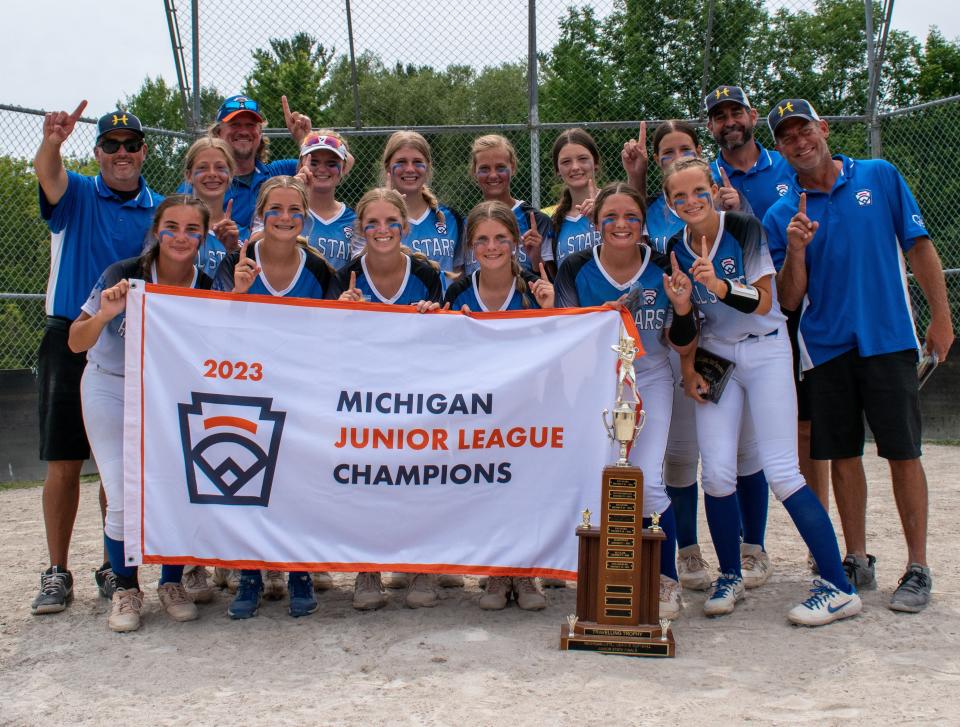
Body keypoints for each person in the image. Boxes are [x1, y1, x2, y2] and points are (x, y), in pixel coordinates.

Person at [763, 98, 955, 612]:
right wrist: (797, 249)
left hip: (889, 338)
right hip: (825, 347)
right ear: (779, 149)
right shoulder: (783, 214)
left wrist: (941, 317)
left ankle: (917, 567)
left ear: (824, 129)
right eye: (787, 137)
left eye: (805, 130)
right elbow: (787, 298)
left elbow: (919, 247)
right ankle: (856, 557)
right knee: (843, 456)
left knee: (903, 452)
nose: (799, 142)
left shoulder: (880, 175)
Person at [665, 157, 860, 625]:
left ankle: (839, 585)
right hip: (714, 354)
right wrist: (686, 335)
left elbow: (767, 301)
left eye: (698, 191)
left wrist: (719, 284)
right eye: (678, 197)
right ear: (670, 204)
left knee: (782, 470)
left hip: (766, 347)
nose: (690, 202)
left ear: (713, 188)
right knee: (715, 473)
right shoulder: (674, 246)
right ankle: (729, 574)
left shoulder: (744, 228)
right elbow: (686, 322)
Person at [32, 102, 163, 615]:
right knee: (64, 462)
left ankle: (115, 567)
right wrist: (51, 143)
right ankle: (57, 570)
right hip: (74, 332)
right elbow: (49, 174)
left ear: (144, 151)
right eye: (111, 144)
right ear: (98, 151)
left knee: (118, 464)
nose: (122, 153)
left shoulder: (158, 210)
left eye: (131, 144)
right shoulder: (82, 191)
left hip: (133, 341)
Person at [633, 120, 772, 593]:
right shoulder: (653, 213)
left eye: (685, 149)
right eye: (666, 153)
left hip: (740, 343)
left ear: (701, 157)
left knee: (744, 449)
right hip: (681, 340)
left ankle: (752, 547)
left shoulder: (730, 207)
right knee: (680, 452)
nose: (676, 158)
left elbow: (755, 270)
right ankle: (687, 551)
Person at [555, 181, 700, 621]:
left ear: (643, 224)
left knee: (649, 483)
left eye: (631, 217)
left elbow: (684, 341)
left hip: (650, 375)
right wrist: (599, 320)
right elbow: (564, 340)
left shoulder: (663, 265)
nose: (621, 225)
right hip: (597, 382)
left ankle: (665, 580)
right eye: (611, 217)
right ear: (596, 222)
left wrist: (680, 308)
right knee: (598, 478)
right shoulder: (575, 267)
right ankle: (606, 571)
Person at [67, 195, 213, 631]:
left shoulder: (205, 285)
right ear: (156, 230)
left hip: (167, 390)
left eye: (191, 229)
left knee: (176, 488)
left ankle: (171, 582)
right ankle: (127, 587)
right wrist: (106, 313)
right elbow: (76, 341)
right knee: (124, 491)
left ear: (203, 237)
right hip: (111, 385)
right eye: (171, 226)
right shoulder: (123, 275)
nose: (180, 237)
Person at [705, 85, 828, 568]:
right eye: (718, 116)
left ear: (752, 116)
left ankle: (817, 556)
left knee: (792, 444)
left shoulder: (786, 167)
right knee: (724, 456)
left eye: (736, 111)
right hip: (726, 326)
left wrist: (739, 212)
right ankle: (735, 563)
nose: (729, 121)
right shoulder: (708, 177)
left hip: (789, 313)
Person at [214, 176, 342, 619]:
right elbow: (210, 331)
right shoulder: (238, 262)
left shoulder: (321, 269)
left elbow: (335, 334)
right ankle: (250, 570)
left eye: (294, 211)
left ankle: (298, 569)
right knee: (250, 478)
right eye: (275, 210)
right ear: (260, 215)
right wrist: (238, 294)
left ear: (305, 218)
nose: (284, 218)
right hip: (248, 386)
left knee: (298, 481)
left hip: (302, 388)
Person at [337, 188, 445, 610]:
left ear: (405, 225)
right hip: (364, 393)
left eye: (391, 222)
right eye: (372, 223)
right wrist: (340, 312)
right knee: (369, 479)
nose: (382, 230)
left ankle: (421, 566)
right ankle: (369, 568)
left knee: (418, 479)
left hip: (415, 391)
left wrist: (432, 316)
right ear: (360, 229)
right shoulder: (345, 275)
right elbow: (321, 339)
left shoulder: (424, 274)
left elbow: (447, 334)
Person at [179, 94, 310, 229]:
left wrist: (303, 139)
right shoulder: (202, 183)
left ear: (260, 133)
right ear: (218, 133)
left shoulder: (278, 173)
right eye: (235, 124)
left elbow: (319, 168)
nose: (243, 131)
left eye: (250, 125)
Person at [357, 131, 461, 278]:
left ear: (428, 167)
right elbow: (359, 270)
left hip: (440, 301)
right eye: (401, 162)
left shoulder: (450, 219)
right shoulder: (370, 220)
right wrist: (386, 208)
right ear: (388, 167)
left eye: (418, 162)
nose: (410, 169)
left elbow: (458, 277)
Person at [459, 134, 555, 277]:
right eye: (484, 169)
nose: (493, 175)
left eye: (500, 167)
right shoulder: (467, 225)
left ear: (513, 167)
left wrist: (536, 259)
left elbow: (552, 283)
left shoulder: (535, 220)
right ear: (474, 172)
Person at [182, 137, 247, 279]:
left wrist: (233, 250)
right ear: (189, 176)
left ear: (230, 175)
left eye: (220, 167)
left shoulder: (242, 235)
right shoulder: (173, 229)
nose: (212, 173)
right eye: (202, 167)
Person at [295, 130, 357, 271]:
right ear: (300, 166)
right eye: (314, 162)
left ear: (343, 169)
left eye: (331, 163)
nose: (322, 169)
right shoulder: (287, 214)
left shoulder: (354, 220)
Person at [550, 129, 602, 267]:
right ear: (557, 170)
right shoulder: (554, 222)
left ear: (595, 162)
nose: (575, 167)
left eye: (582, 159)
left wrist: (604, 215)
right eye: (566, 162)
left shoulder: (616, 202)